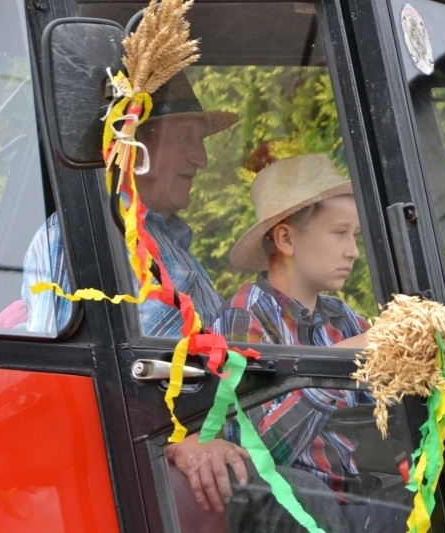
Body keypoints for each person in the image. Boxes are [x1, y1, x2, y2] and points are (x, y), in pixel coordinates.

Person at [167, 154, 409, 532]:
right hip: (303, 512)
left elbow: (385, 402)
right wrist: (336, 364)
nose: (353, 251)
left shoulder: (341, 317)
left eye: (355, 236)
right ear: (286, 239)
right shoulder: (243, 321)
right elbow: (259, 450)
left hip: (358, 495)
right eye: (339, 233)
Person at [21, 71, 233, 335]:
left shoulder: (164, 235)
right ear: (134, 143)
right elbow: (63, 356)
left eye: (199, 140)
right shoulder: (82, 236)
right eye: (185, 138)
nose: (202, 159)